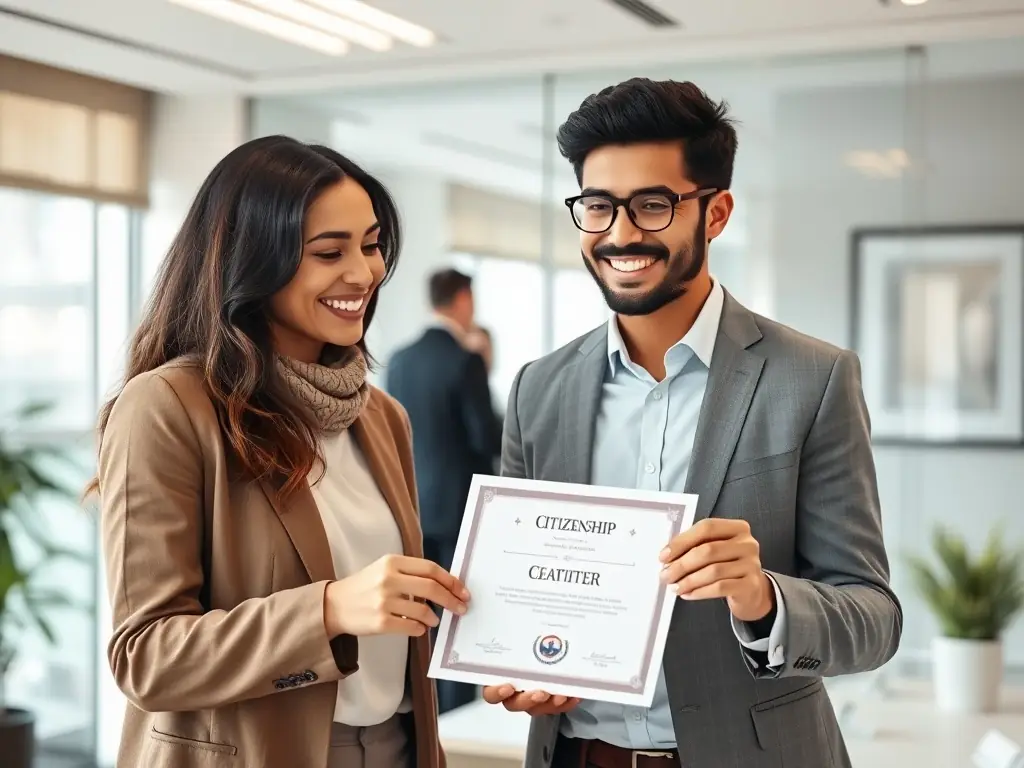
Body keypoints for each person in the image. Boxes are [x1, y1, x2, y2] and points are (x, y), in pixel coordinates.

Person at [481, 78, 902, 768]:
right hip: (583, 756)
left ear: (715, 213)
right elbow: (519, 594)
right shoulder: (539, 388)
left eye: (652, 206)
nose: (620, 234)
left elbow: (875, 619)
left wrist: (762, 596)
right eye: (597, 206)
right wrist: (522, 665)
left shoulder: (812, 378)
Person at [89, 136, 469, 768]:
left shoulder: (381, 416)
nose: (363, 273)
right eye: (329, 252)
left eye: (372, 246)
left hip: (397, 746)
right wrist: (329, 608)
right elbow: (145, 656)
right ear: (252, 263)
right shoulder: (167, 406)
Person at [386, 268, 501, 713]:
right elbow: (485, 438)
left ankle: (424, 705)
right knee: (458, 612)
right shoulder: (464, 359)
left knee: (422, 614)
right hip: (460, 507)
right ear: (463, 299)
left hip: (413, 503)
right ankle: (453, 712)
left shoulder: (399, 359)